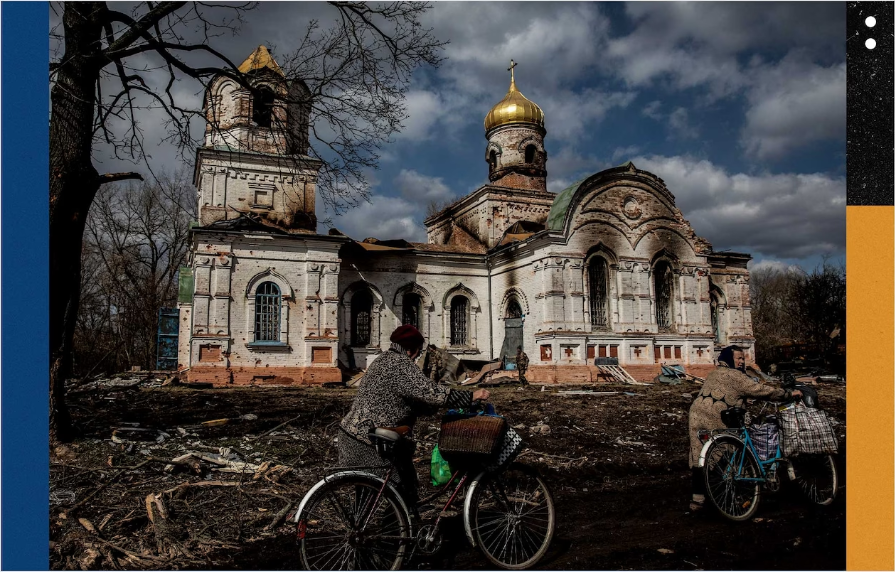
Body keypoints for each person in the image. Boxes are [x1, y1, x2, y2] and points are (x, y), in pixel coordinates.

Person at [339, 325, 490, 504]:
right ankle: (401, 520)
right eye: (418, 352)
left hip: (352, 434)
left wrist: (431, 408)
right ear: (412, 349)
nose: (418, 357)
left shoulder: (383, 359)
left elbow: (408, 399)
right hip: (370, 441)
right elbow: (430, 392)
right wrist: (470, 396)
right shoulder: (400, 364)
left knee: (370, 495)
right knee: (400, 490)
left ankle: (386, 520)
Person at [687, 345, 800, 511]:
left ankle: (698, 499)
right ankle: (735, 496)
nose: (741, 361)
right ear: (728, 359)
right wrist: (788, 394)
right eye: (738, 358)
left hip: (696, 415)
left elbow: (727, 391)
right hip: (717, 415)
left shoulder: (714, 373)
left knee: (700, 455)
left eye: (743, 358)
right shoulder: (736, 376)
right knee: (730, 452)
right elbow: (760, 390)